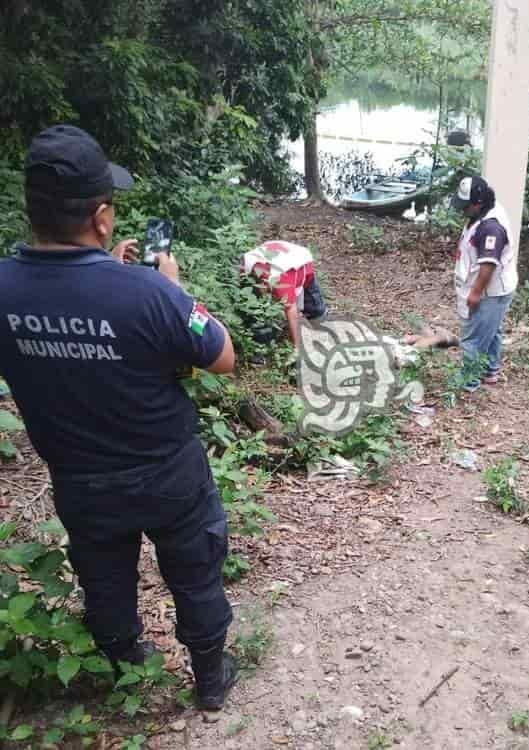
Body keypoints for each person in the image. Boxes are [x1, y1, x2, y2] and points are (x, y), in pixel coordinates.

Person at [0, 125, 238, 710]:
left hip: (80, 478)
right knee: (194, 569)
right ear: (102, 216)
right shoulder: (148, 294)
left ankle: (125, 667)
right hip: (167, 473)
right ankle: (210, 678)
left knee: (104, 575)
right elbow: (223, 357)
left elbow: (66, 312)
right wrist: (172, 290)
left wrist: (102, 271)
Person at [451, 175, 517, 391]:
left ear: (477, 203)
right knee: (492, 330)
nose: (463, 210)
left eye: (466, 206)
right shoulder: (484, 210)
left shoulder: (491, 228)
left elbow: (489, 264)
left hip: (490, 291)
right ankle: (490, 370)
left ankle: (468, 380)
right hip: (493, 289)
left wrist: (475, 293)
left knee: (473, 338)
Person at [242, 240, 328, 349]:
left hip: (300, 262)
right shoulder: (247, 264)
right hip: (278, 257)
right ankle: (262, 342)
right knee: (257, 311)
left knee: (314, 305)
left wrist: (297, 346)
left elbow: (290, 310)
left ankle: (323, 327)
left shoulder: (280, 280)